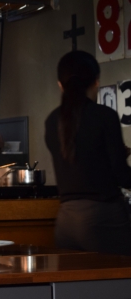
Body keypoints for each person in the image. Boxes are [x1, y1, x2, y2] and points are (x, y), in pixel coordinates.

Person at [45, 50, 131, 256]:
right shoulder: (104, 116)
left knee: (75, 288)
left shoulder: (52, 121)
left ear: (60, 85)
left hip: (65, 223)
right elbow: (122, 175)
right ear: (96, 82)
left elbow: (79, 161)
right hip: (103, 221)